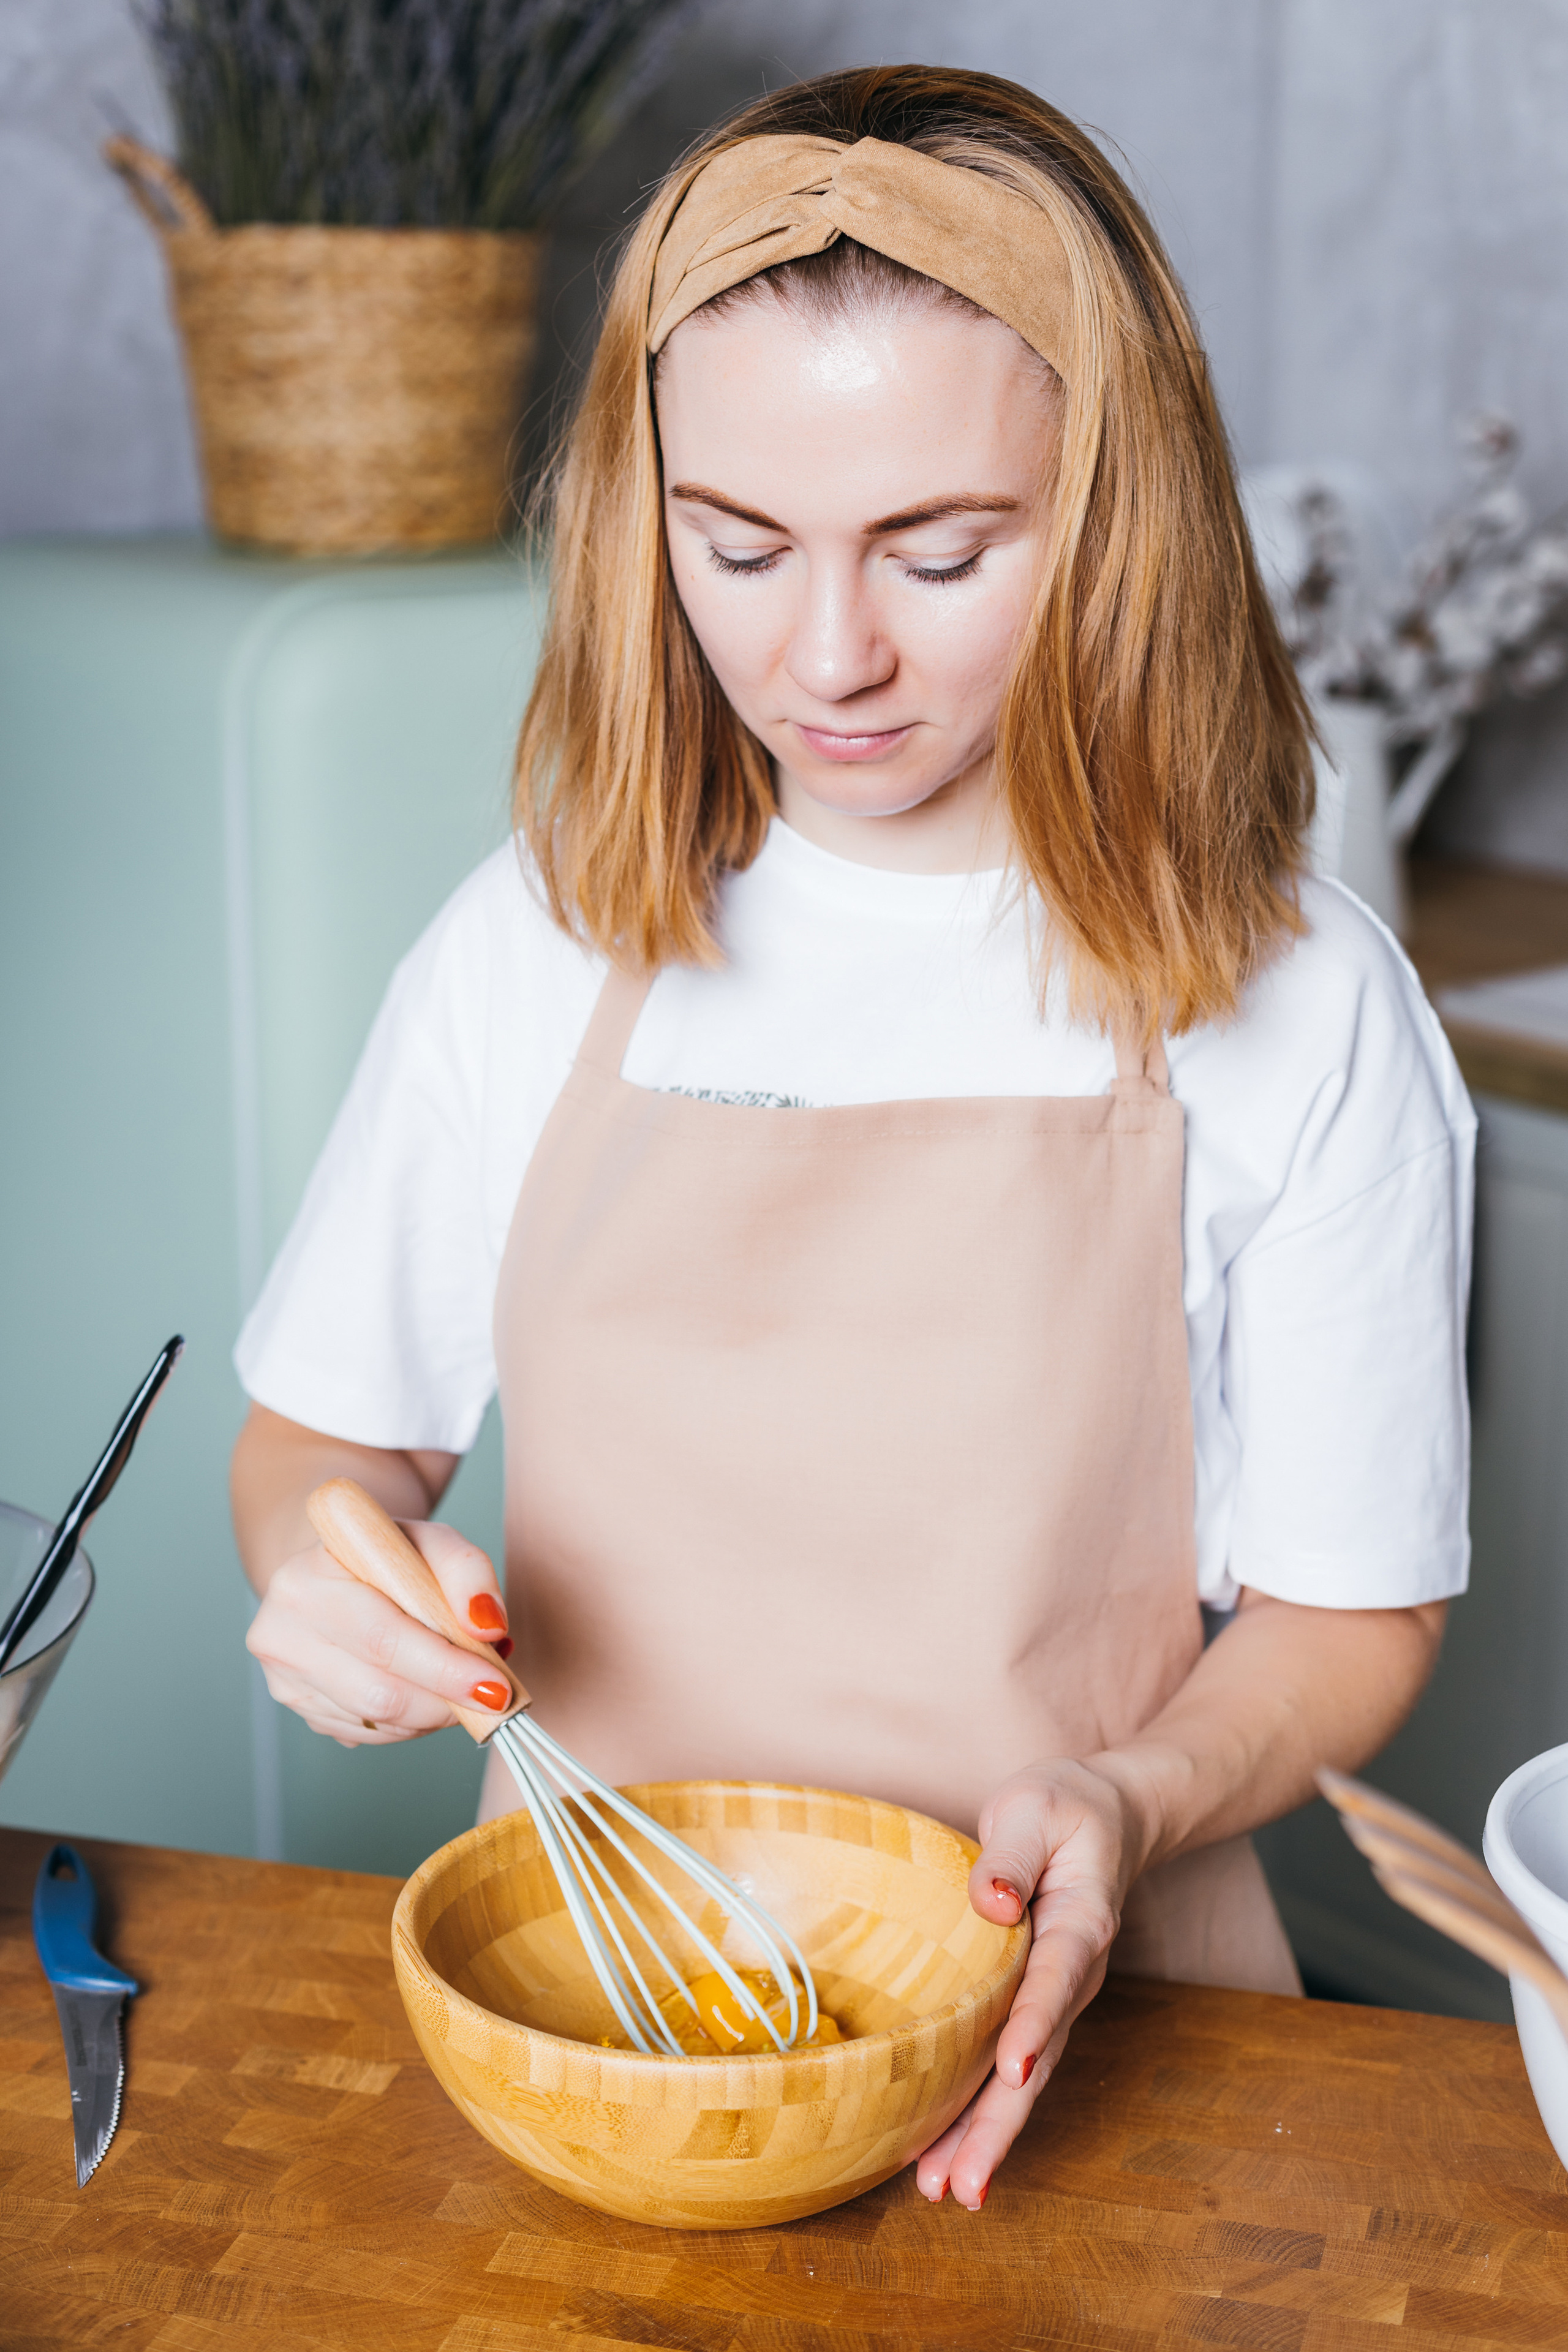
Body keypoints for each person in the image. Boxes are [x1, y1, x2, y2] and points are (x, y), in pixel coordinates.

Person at [232, 64, 1473, 2211]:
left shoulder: (1298, 1002)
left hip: (1109, 2046)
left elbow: (1353, 1619)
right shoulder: (539, 938)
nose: (828, 657)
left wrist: (1133, 1796)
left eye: (943, 548)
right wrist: (324, 1580)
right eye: (737, 545)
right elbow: (318, 1454)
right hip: (610, 2032)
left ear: (1112, 510)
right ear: (651, 522)